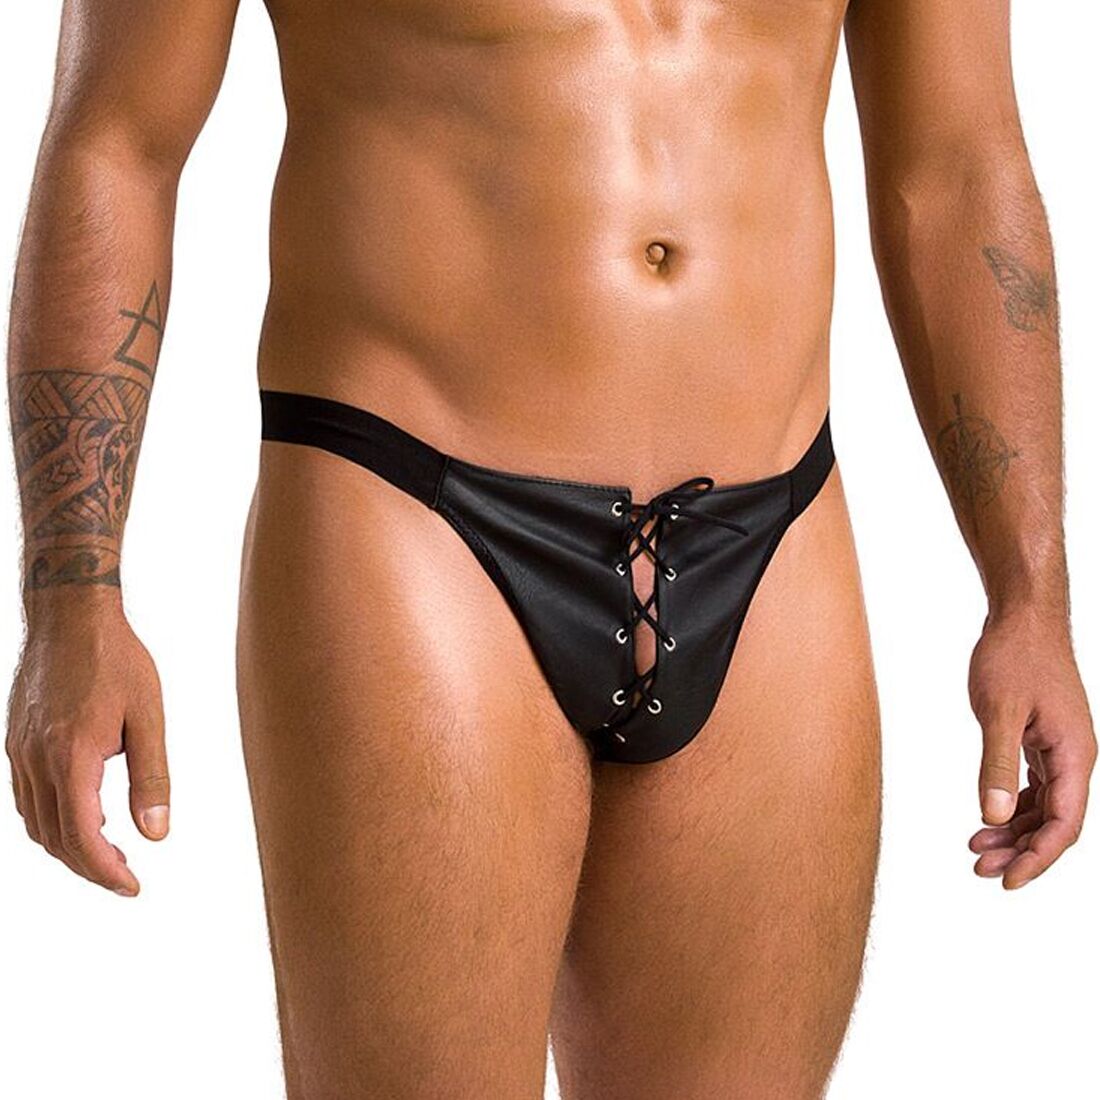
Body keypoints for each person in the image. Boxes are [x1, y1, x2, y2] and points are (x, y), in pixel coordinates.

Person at [5, 2, 1095, 1096]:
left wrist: (1029, 596)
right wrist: (72, 598)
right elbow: (117, 142)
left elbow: (956, 164)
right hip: (416, 507)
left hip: (771, 528)